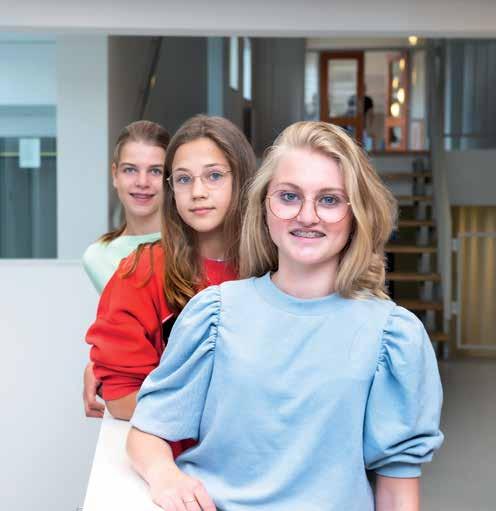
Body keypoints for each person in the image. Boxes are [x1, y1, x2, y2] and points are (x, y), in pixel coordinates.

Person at [127, 121, 444, 511]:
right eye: (289, 196)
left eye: (329, 200)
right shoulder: (214, 313)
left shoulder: (392, 336)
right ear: (264, 207)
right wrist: (165, 476)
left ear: (357, 214)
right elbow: (148, 431)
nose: (307, 216)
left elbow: (397, 493)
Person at [85, 115, 257, 443]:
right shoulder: (140, 272)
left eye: (214, 176)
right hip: (174, 459)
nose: (197, 192)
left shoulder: (279, 268)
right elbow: (121, 397)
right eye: (183, 179)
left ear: (244, 180)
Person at [82, 120, 170, 418]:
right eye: (130, 170)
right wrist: (99, 364)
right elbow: (125, 332)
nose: (142, 182)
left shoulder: (192, 246)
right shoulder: (98, 257)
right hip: (134, 401)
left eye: (155, 171)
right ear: (114, 175)